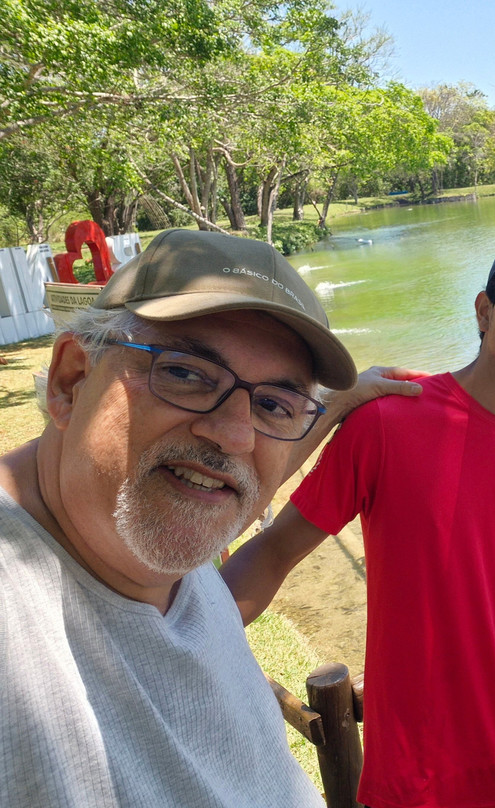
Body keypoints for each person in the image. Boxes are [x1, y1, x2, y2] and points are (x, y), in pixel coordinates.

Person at [222, 232, 495, 808]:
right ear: (484, 309)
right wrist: (187, 636)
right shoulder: (390, 420)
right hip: (418, 781)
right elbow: (275, 552)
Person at [0, 228, 420, 806]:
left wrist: (346, 399)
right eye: (185, 373)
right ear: (71, 379)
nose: (233, 434)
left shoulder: (161, 538)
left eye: (274, 403)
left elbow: (242, 479)